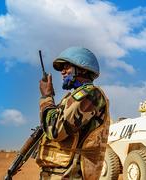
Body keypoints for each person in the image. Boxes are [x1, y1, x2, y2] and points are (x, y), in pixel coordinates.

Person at [36, 46, 110, 179]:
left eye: (66, 67)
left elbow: (55, 130)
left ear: (82, 69)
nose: (62, 72)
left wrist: (46, 98)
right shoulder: (74, 97)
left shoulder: (92, 94)